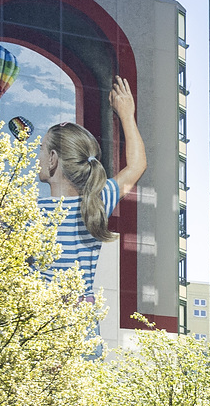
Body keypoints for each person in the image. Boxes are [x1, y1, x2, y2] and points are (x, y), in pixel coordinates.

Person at [39, 75, 147, 304]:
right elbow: (137, 165)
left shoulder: (32, 213)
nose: (36, 157)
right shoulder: (97, 202)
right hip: (85, 328)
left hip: (45, 328)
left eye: (41, 150)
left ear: (52, 159)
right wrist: (126, 114)